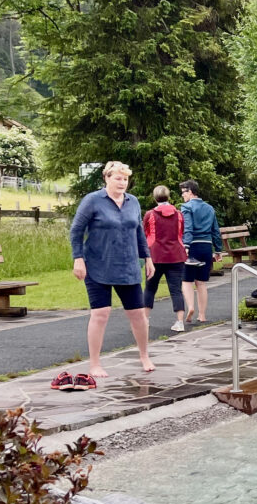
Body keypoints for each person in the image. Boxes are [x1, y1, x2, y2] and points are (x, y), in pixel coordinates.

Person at [69, 161, 156, 377]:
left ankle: (144, 355)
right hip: (98, 265)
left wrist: (147, 257)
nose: (122, 182)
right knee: (101, 313)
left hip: (127, 266)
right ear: (106, 178)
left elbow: (139, 233)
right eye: (118, 178)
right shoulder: (92, 201)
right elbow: (76, 231)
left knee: (138, 314)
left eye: (125, 179)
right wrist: (78, 259)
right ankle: (95, 364)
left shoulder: (133, 202)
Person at [142, 185, 187, 332]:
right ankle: (180, 322)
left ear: (155, 198)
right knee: (176, 290)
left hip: (155, 256)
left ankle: (145, 320)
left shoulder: (150, 215)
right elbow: (181, 232)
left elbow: (145, 233)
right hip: (176, 255)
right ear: (168, 197)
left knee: (150, 289)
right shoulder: (179, 214)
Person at [179, 179, 222, 323]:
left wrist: (186, 245)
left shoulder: (187, 207)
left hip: (192, 246)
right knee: (201, 283)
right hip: (206, 247)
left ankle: (191, 307)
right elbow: (215, 230)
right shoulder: (210, 208)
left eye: (183, 192)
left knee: (186, 280)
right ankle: (202, 315)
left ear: (190, 191)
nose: (182, 196)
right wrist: (218, 250)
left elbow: (188, 228)